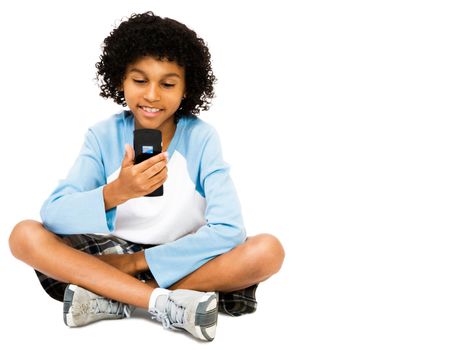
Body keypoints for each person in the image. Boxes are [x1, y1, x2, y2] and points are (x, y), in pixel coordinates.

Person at [8, 11, 284, 341]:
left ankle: (111, 296)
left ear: (186, 89)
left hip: (182, 255)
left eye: (167, 84)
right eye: (140, 81)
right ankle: (164, 302)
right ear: (120, 80)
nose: (152, 95)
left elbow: (228, 230)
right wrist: (116, 193)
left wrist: (137, 263)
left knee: (268, 250)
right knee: (23, 235)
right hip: (109, 254)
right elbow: (52, 215)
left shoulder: (201, 138)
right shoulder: (103, 135)